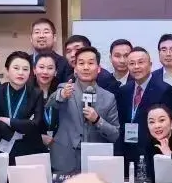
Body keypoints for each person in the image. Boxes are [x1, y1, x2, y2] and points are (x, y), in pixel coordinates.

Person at [47, 46, 120, 175]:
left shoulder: (108, 97)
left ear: (98, 68)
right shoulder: (65, 88)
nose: (86, 67)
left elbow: (115, 134)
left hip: (96, 161)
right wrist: (62, 95)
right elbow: (50, 104)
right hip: (64, 159)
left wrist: (97, 120)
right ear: (75, 68)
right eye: (81, 63)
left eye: (90, 63)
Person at [117, 46, 172, 171]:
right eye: (132, 63)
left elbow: (171, 126)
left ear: (150, 65)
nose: (136, 67)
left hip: (153, 154)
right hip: (127, 154)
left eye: (140, 62)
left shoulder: (165, 90)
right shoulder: (123, 91)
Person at [0, 51, 46, 163]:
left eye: (25, 69)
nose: (21, 73)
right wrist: (16, 131)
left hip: (29, 150)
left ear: (30, 72)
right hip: (1, 148)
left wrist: (9, 121)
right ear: (7, 70)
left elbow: (36, 123)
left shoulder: (36, 93)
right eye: (16, 68)